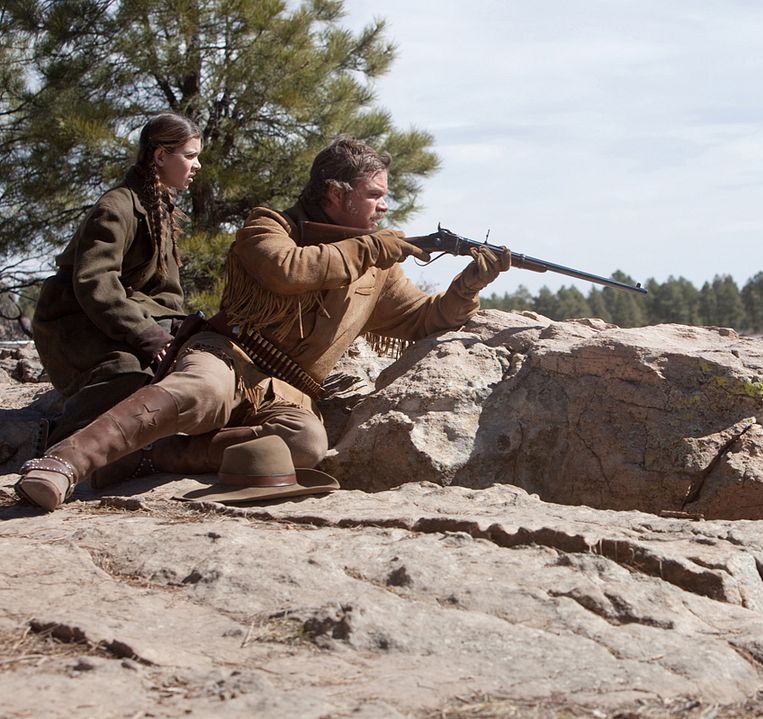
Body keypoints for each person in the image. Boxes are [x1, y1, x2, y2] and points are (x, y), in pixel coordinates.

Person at [15, 136, 511, 510]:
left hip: (289, 391)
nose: (385, 206)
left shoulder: (378, 266)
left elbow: (424, 318)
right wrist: (372, 248)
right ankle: (65, 461)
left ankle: (152, 456)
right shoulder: (268, 225)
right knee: (200, 391)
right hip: (230, 354)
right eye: (374, 194)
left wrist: (468, 285)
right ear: (335, 194)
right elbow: (286, 270)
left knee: (306, 444)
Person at [31, 112, 203, 446]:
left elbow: (166, 294)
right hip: (73, 324)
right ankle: (61, 439)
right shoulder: (116, 207)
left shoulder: (159, 208)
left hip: (108, 320)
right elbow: (94, 283)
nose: (197, 165)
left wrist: (179, 332)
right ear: (160, 156)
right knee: (129, 370)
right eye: (190, 156)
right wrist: (148, 336)